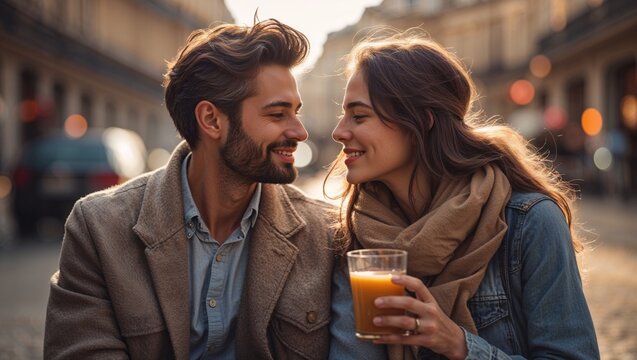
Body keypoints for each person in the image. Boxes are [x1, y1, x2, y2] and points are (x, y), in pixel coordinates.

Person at [44, 19, 335, 360]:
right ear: (211, 120)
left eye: (296, 112)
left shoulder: (326, 235)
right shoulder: (98, 227)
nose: (300, 132)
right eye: (278, 114)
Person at [327, 30, 600, 359]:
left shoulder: (530, 222)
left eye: (359, 116)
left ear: (422, 122)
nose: (339, 131)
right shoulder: (354, 233)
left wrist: (458, 344)